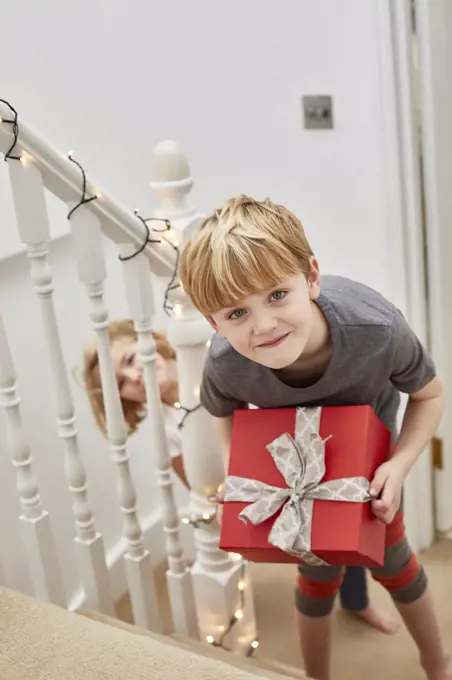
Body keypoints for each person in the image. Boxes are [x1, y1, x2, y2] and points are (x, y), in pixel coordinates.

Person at [178, 195, 450, 680]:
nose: (264, 325)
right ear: (212, 324)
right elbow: (223, 413)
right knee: (318, 570)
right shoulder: (224, 362)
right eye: (235, 314)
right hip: (295, 464)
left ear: (311, 277)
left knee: (395, 562)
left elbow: (430, 395)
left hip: (371, 465)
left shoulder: (377, 328)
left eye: (277, 295)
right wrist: (236, 469)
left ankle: (437, 662)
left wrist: (400, 465)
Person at [81, 319, 189, 489]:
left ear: (151, 340)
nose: (133, 376)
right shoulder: (168, 434)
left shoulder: (211, 361)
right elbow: (203, 495)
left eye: (130, 360)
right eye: (121, 384)